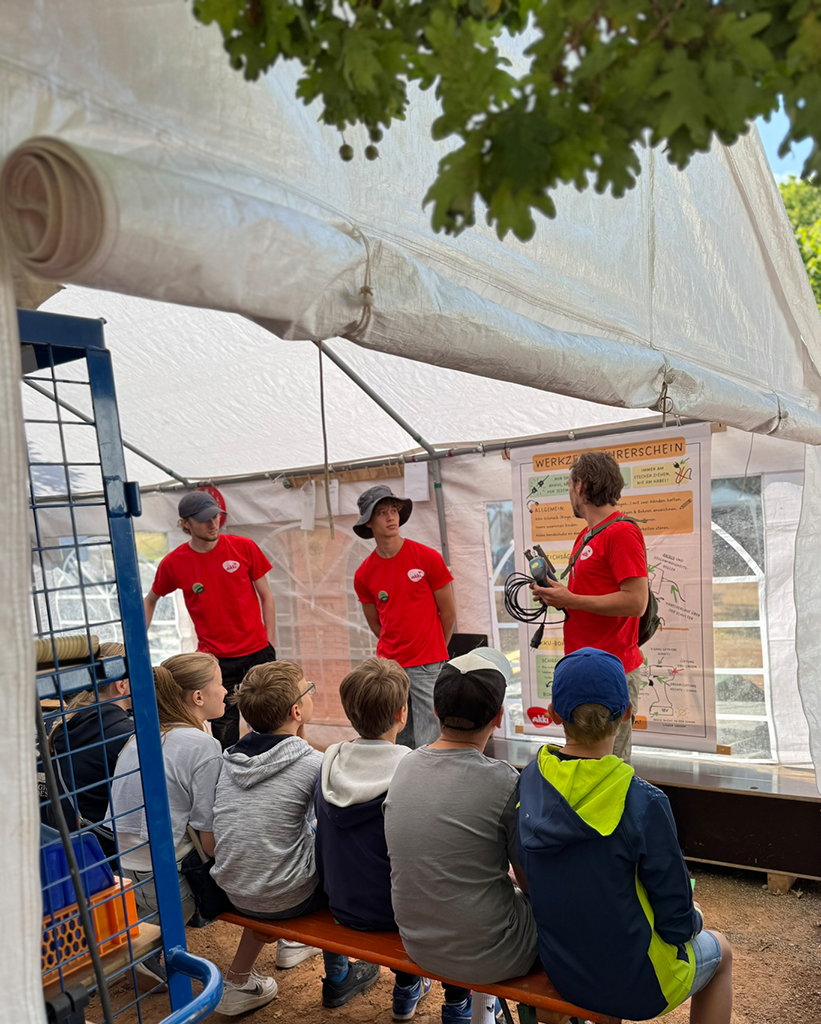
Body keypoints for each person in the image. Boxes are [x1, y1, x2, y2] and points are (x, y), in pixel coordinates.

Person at [517, 647, 733, 1024]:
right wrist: (694, 918)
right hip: (638, 984)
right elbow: (676, 920)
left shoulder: (531, 780)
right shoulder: (644, 802)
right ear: (628, 713)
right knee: (723, 952)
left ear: (553, 714)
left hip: (564, 970)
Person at [211, 661, 380, 1017]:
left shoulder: (229, 761)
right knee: (333, 839)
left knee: (278, 841)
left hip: (235, 890)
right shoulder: (313, 764)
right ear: (296, 711)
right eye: (309, 689)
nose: (312, 692)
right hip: (290, 897)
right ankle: (339, 974)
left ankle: (256, 967)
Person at [384, 649, 537, 1019]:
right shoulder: (505, 781)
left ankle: (480, 1011)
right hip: (495, 955)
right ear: (499, 716)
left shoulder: (404, 765)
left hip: (418, 944)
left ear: (435, 711)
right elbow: (531, 883)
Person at [314, 657, 439, 1021]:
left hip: (341, 905)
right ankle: (407, 987)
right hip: (396, 915)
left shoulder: (330, 760)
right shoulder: (414, 769)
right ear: (403, 713)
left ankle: (383, 984)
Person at [109, 652, 225, 986]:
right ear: (198, 697)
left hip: (124, 869)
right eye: (220, 683)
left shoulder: (140, 736)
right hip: (165, 876)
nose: (226, 691)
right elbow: (209, 838)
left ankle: (142, 938)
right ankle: (149, 948)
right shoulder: (203, 745)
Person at [531, 450, 648, 763]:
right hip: (582, 667)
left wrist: (570, 599)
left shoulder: (621, 532)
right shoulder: (587, 534)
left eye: (569, 485)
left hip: (612, 669)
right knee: (582, 763)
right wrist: (557, 595)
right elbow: (591, 598)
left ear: (580, 486)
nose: (569, 493)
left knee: (609, 766)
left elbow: (636, 601)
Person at [143, 489, 277, 748]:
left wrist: (269, 642)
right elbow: (150, 600)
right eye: (204, 519)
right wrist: (138, 644)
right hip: (215, 661)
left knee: (270, 723)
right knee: (225, 732)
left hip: (258, 652)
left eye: (215, 516)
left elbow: (266, 596)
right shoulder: (174, 563)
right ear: (185, 523)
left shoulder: (243, 547)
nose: (213, 523)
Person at [353, 484, 455, 748]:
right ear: (368, 523)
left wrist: (436, 650)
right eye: (382, 513)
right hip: (389, 666)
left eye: (394, 510)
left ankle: (426, 777)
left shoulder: (427, 558)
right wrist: (395, 649)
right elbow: (376, 623)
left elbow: (449, 612)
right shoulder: (364, 573)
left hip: (428, 663)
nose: (391, 517)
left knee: (430, 740)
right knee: (395, 737)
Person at [47, 642, 133, 861]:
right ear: (121, 685)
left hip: (74, 847)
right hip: (112, 853)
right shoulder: (127, 734)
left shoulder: (66, 724)